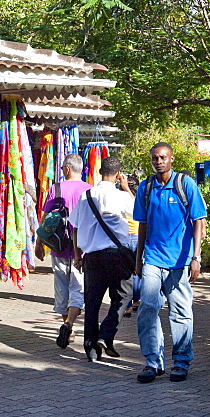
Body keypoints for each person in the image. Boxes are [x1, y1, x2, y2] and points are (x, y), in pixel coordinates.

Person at [132, 142, 208, 383]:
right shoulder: (146, 188)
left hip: (180, 261)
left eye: (163, 157)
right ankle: (153, 362)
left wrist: (196, 258)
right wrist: (138, 259)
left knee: (181, 312)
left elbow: (199, 222)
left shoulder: (185, 185)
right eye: (155, 158)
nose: (159, 161)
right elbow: (142, 225)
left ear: (171, 159)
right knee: (148, 308)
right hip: (153, 258)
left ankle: (182, 362)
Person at [67, 156, 135, 362]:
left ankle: (91, 348)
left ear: (99, 172)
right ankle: (106, 335)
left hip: (92, 257)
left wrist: (78, 257)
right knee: (124, 296)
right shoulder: (121, 196)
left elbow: (75, 228)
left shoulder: (85, 196)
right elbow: (138, 214)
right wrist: (126, 188)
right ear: (117, 175)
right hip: (116, 256)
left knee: (92, 302)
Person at [35, 153, 90, 349]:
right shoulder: (89, 190)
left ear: (67, 169)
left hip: (58, 247)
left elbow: (46, 219)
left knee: (62, 289)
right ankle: (70, 324)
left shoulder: (55, 188)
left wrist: (39, 243)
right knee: (79, 289)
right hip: (82, 249)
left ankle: (68, 326)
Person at [122, 173, 142, 318]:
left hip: (128, 238)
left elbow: (136, 209)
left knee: (127, 273)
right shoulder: (136, 198)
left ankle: (129, 304)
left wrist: (125, 189)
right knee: (135, 272)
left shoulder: (126, 197)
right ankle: (134, 302)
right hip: (132, 237)